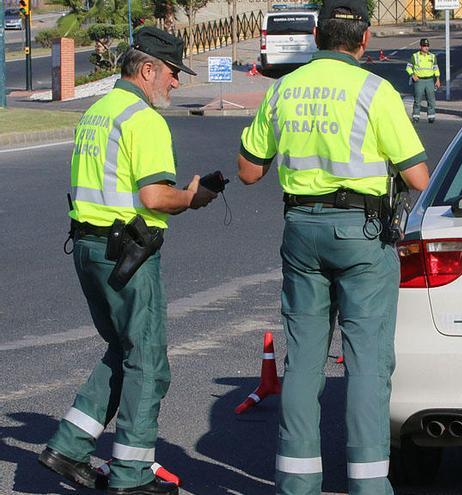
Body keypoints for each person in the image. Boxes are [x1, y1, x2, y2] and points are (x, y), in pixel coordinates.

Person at [236, 0, 430, 492]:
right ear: (364, 40)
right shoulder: (375, 90)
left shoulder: (284, 89)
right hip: (362, 235)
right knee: (367, 362)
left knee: (303, 359)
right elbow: (418, 176)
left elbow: (249, 170)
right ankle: (368, 484)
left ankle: (298, 483)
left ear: (316, 35)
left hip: (302, 228)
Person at [38, 26, 216, 495]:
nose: (176, 83)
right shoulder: (143, 119)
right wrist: (193, 198)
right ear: (148, 69)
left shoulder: (97, 112)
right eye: (173, 73)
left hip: (88, 248)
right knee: (149, 365)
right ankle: (132, 477)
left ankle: (69, 446)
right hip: (129, 255)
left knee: (122, 350)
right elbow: (155, 195)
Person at [405, 38, 441, 123]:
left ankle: (431, 116)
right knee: (418, 99)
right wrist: (412, 75)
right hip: (419, 81)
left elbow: (436, 68)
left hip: (429, 80)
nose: (426, 47)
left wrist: (438, 79)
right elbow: (408, 67)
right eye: (424, 46)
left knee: (431, 99)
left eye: (427, 46)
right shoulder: (415, 56)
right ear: (420, 46)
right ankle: (416, 116)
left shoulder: (432, 56)